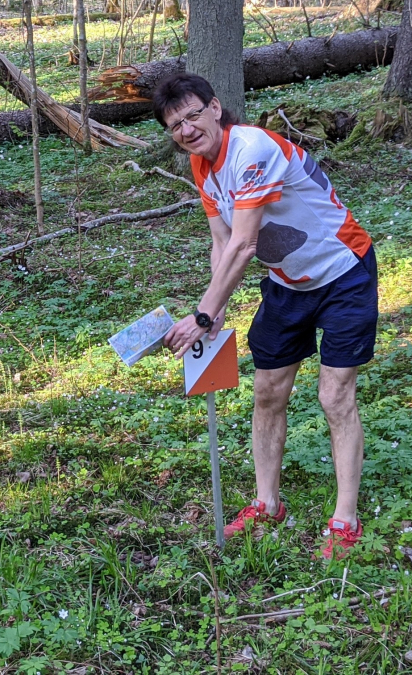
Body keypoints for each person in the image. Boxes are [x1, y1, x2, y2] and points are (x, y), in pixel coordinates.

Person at [155, 73, 378, 560]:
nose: (187, 129)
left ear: (216, 108)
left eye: (193, 115)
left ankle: (345, 519)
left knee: (335, 395)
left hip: (343, 271)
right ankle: (267, 504)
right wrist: (214, 312)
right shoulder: (201, 164)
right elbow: (221, 242)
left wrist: (203, 315)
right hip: (287, 284)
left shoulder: (251, 149)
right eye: (175, 125)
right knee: (267, 391)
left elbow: (245, 243)